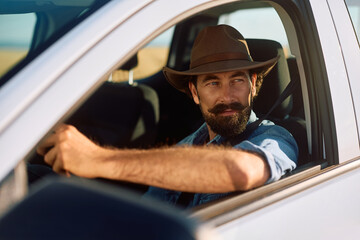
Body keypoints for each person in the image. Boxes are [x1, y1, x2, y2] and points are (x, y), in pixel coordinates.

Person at [36, 25, 298, 207]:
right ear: (194, 93)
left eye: (237, 80)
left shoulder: (275, 137)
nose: (227, 97)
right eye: (212, 83)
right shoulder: (185, 147)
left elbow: (240, 171)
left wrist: (98, 159)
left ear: (253, 84)